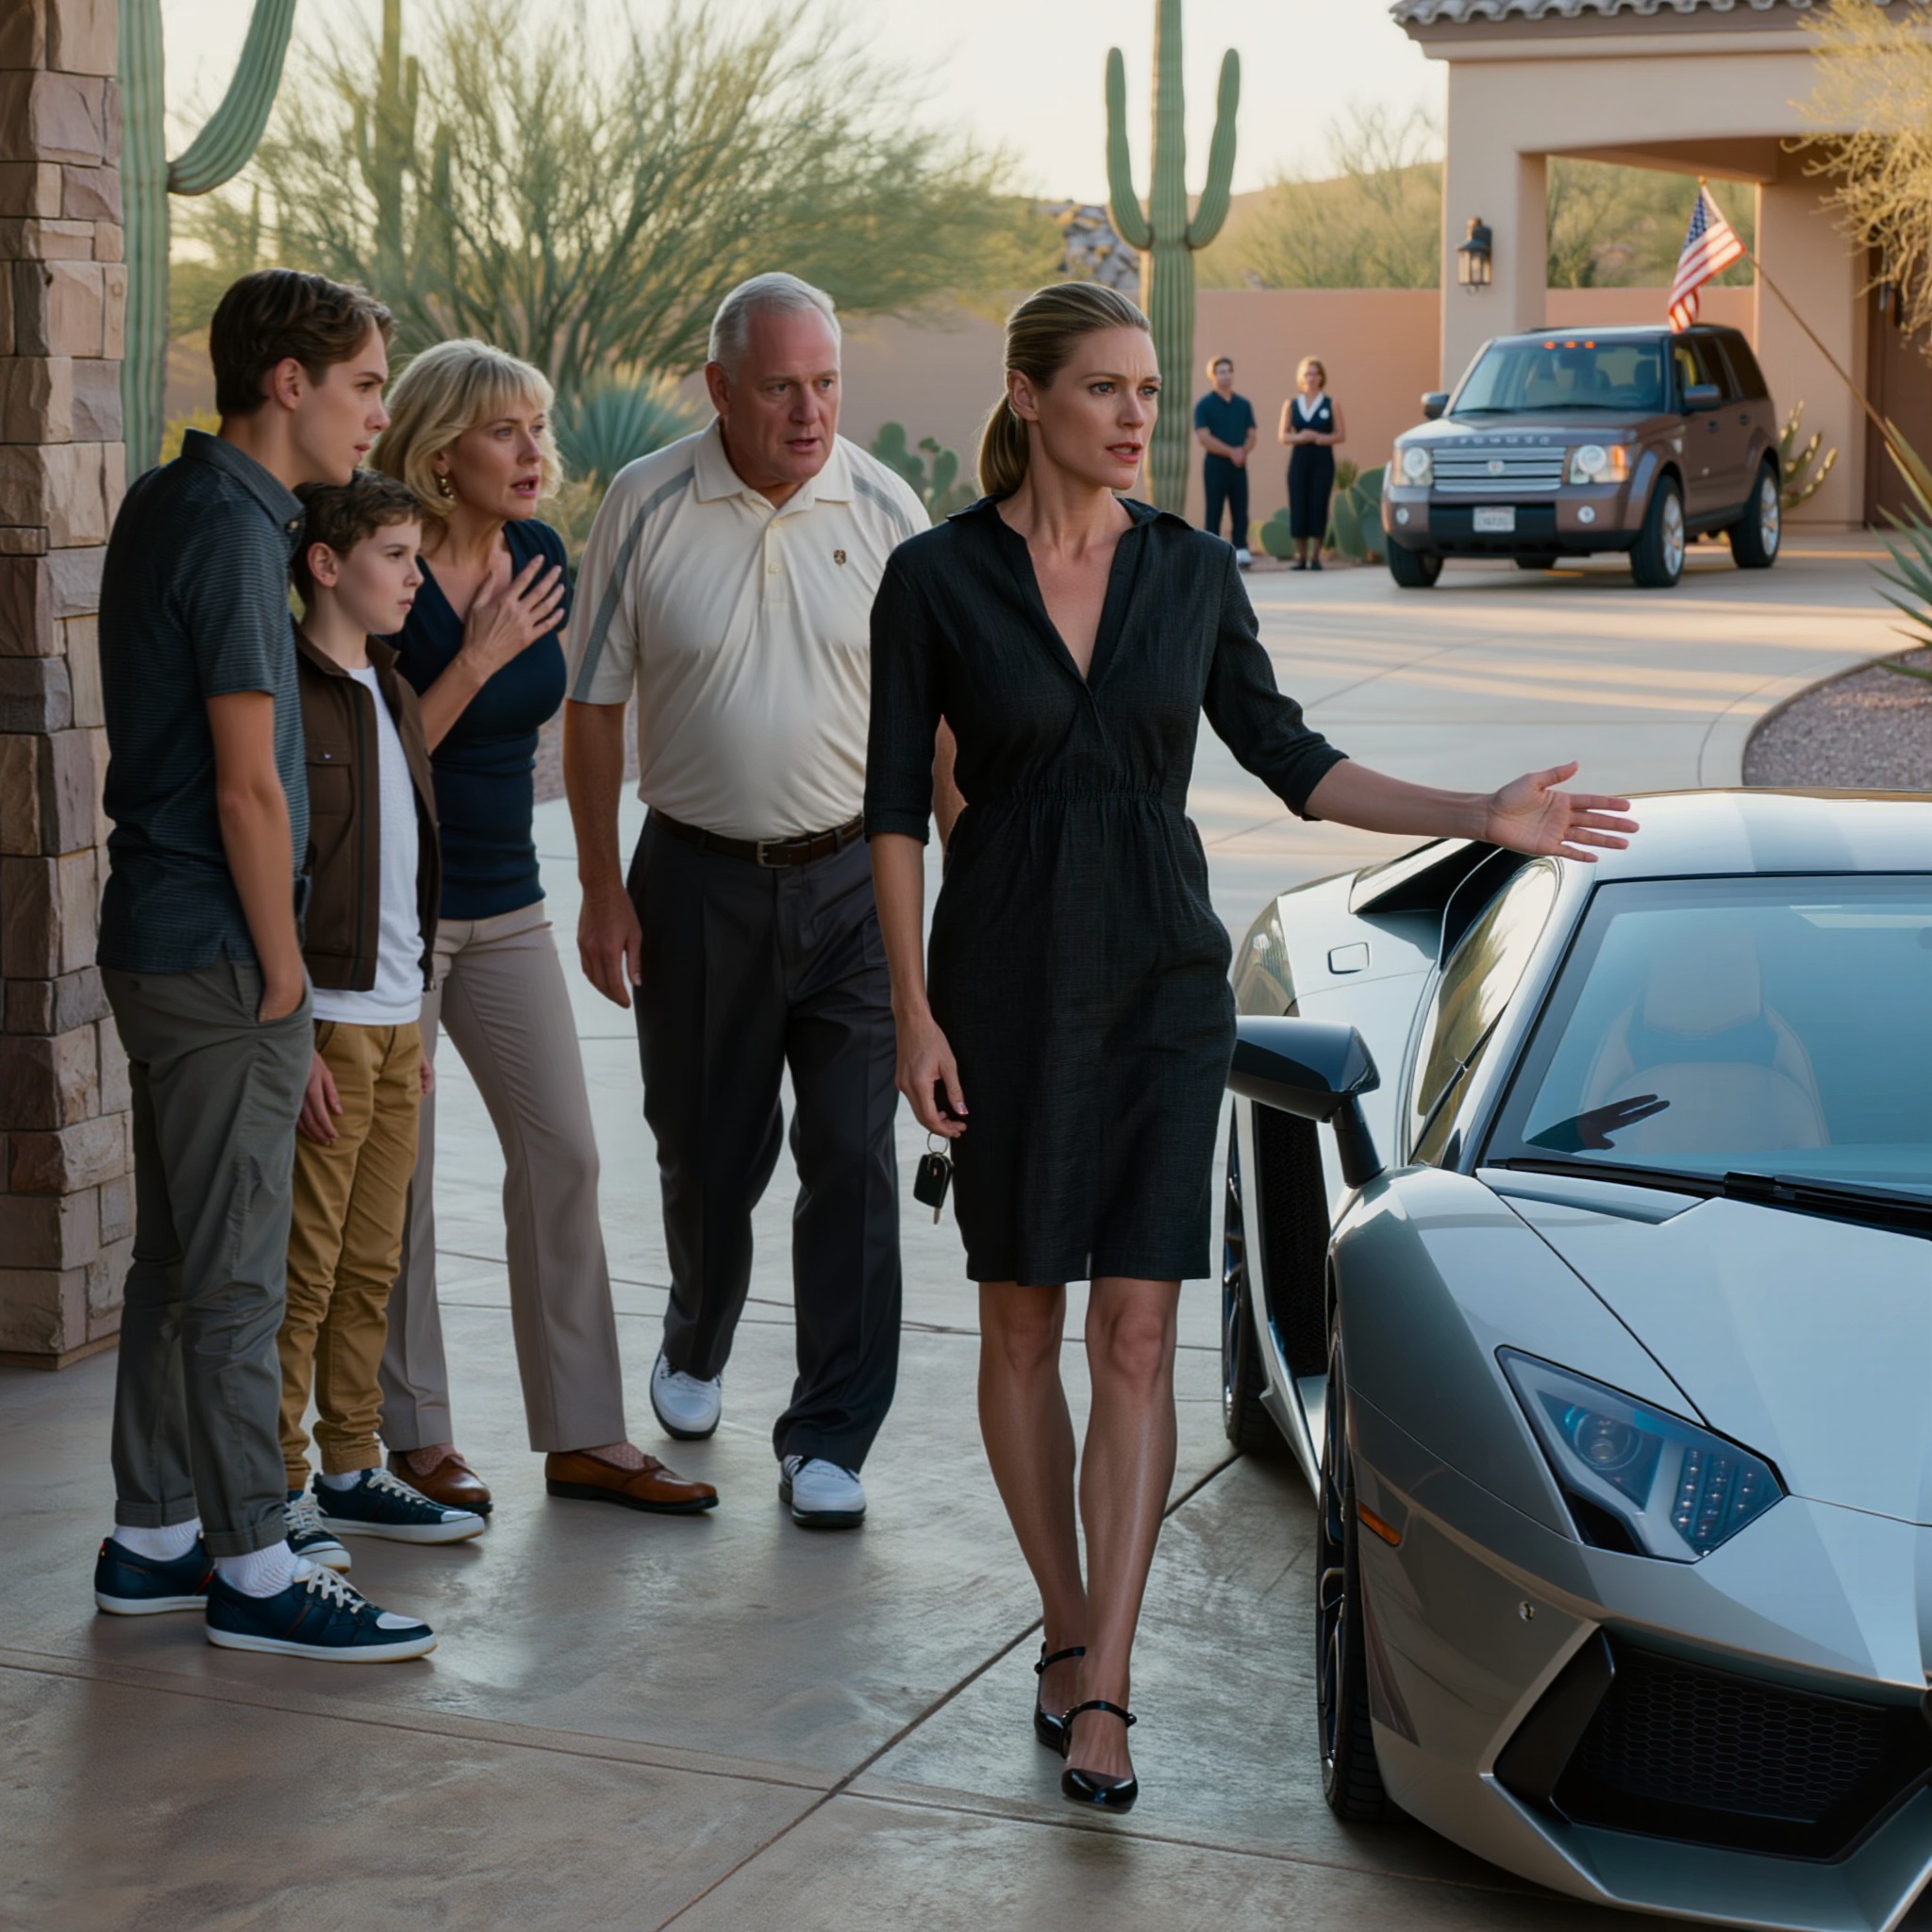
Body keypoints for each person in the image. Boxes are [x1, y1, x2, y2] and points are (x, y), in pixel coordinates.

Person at [864, 281, 1636, 1809]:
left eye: (1148, 387)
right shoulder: (931, 581)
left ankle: (1110, 1685)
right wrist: (910, 1009)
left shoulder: (1193, 569)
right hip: (1000, 982)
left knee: (1135, 1332)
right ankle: (1062, 1622)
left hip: (1161, 982)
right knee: (1020, 1326)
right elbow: (892, 810)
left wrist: (1476, 812)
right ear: (1028, 401)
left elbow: (1291, 762)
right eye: (1104, 389)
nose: (1138, 414)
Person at [94, 267, 441, 1662]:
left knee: (180, 1265)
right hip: (223, 954)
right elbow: (251, 787)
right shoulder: (237, 535)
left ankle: (155, 1539)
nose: (375, 414)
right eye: (362, 384)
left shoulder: (179, 502)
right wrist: (289, 981)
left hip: (165, 942)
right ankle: (252, 1564)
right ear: (286, 383)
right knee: (237, 1280)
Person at [564, 272, 932, 1530]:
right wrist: (603, 888)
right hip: (696, 881)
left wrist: (960, 906)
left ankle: (830, 1430)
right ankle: (699, 1330)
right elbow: (596, 704)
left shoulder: (886, 510)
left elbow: (934, 734)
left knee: (853, 1160)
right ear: (719, 387)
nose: (809, 410)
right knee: (710, 1157)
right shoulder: (645, 501)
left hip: (851, 885)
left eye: (826, 383)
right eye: (781, 386)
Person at [372, 340, 714, 1522]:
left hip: (506, 897)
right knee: (397, 1176)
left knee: (562, 1151)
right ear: (438, 446)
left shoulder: (538, 553)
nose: (533, 454)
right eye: (504, 431)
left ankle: (581, 1433)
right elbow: (366, 753)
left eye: (537, 428)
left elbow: (563, 723)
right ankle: (412, 1434)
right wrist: (473, 659)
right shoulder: (387, 559)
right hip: (394, 914)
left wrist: (604, 870)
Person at [276, 470, 487, 1569]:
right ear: (327, 564)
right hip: (327, 1025)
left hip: (398, 1022)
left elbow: (406, 861)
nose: (415, 577)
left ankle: (355, 1463)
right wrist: (297, 1028)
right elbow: (268, 861)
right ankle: (278, 1487)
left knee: (371, 1265)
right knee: (304, 1271)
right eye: (396, 557)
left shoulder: (392, 686)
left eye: (416, 556)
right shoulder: (289, 691)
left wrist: (415, 1018)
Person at [1278, 356, 1345, 571]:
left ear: (1321, 377)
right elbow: (1283, 435)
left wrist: (1318, 437)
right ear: (1301, 377)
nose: (1312, 377)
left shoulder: (1330, 403)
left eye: (1315, 373)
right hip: (1299, 460)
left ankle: (1316, 556)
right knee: (1299, 504)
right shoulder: (1291, 404)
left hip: (1322, 460)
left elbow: (1340, 434)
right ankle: (1301, 556)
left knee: (1318, 504)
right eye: (1307, 373)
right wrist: (1301, 437)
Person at [1192, 355, 1255, 566]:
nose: (1226, 375)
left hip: (1239, 465)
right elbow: (1204, 437)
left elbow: (1252, 434)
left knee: (1240, 507)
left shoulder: (1243, 404)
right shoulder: (1205, 405)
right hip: (1215, 465)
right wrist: (1231, 452)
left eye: (1229, 371)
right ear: (1213, 375)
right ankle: (1212, 551)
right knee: (1214, 508)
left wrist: (1243, 451)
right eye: (1221, 372)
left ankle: (1242, 549)